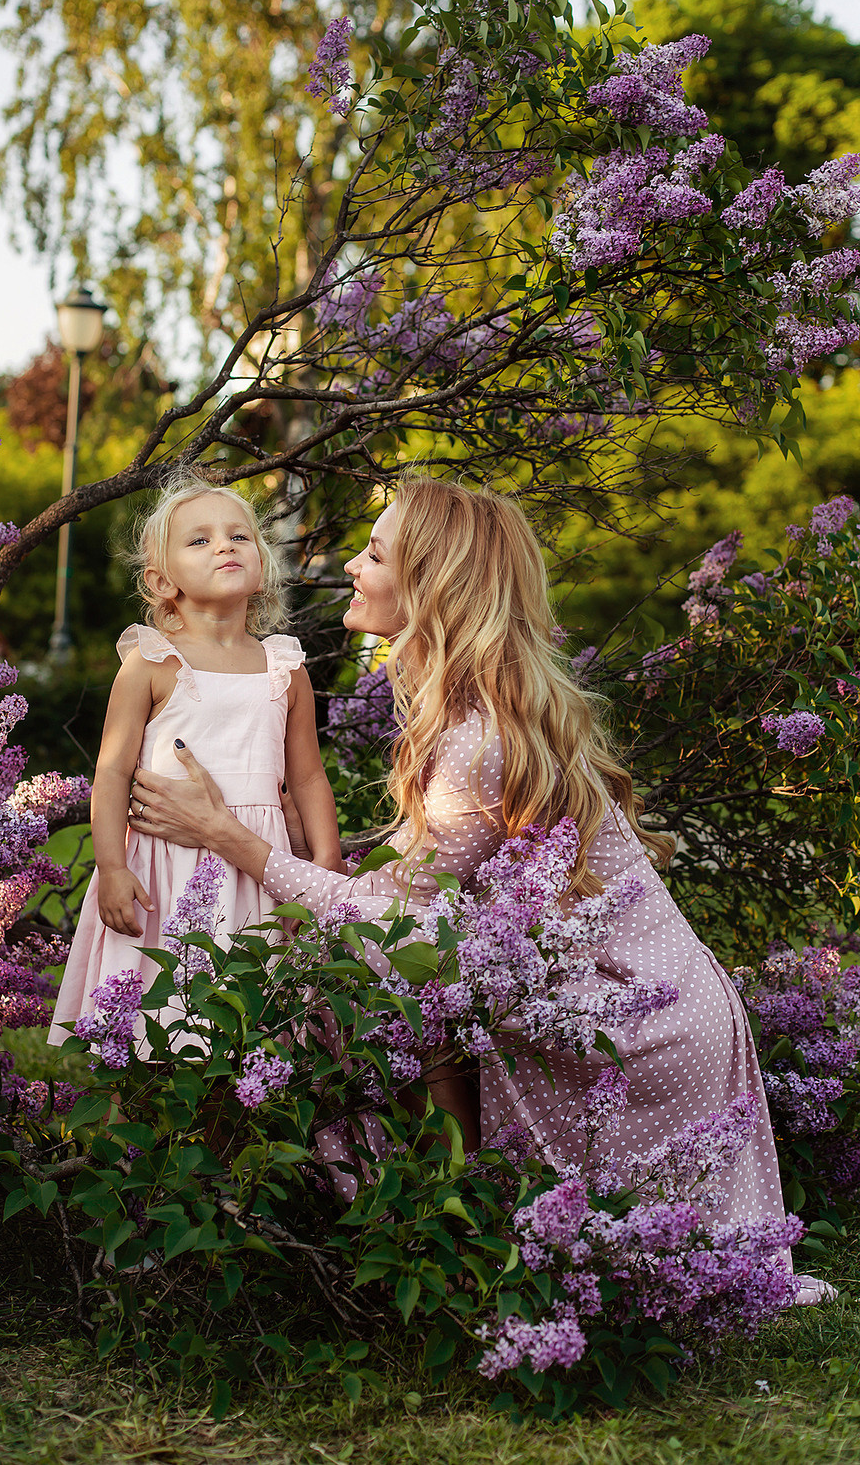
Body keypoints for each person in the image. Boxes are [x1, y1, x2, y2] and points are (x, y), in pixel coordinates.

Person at [126, 476, 833, 1301]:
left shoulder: (475, 739)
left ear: (432, 584)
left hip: (633, 1036)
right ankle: (440, 1229)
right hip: (653, 1010)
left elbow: (400, 916)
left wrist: (232, 839)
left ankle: (410, 1236)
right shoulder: (470, 708)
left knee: (332, 981)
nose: (353, 565)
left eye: (377, 553)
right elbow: (426, 876)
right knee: (366, 964)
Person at [48, 477, 342, 1052]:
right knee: (149, 1028)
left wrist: (324, 863)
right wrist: (110, 866)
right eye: (200, 541)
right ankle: (136, 1133)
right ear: (161, 581)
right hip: (165, 867)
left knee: (251, 1029)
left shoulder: (284, 667)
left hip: (260, 865)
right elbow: (111, 771)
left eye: (239, 536)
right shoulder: (152, 663)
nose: (225, 547)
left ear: (263, 560)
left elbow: (307, 774)